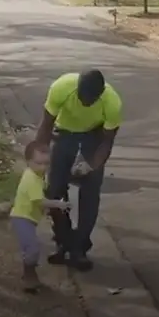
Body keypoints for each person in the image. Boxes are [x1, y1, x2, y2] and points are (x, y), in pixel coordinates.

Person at [32, 69, 122, 272]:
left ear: (100, 94)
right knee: (54, 189)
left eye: (90, 100)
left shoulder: (112, 102)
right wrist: (38, 164)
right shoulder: (61, 87)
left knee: (90, 191)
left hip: (94, 135)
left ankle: (80, 247)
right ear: (77, 89)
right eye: (82, 97)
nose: (85, 103)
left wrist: (92, 165)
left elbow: (106, 143)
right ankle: (63, 241)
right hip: (64, 133)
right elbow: (46, 126)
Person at [10, 141, 73, 292]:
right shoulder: (31, 179)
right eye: (39, 163)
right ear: (28, 161)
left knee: (31, 248)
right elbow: (40, 201)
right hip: (22, 218)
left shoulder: (37, 174)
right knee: (32, 249)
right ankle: (29, 278)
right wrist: (59, 204)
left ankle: (30, 274)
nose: (43, 167)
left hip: (29, 218)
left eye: (46, 163)